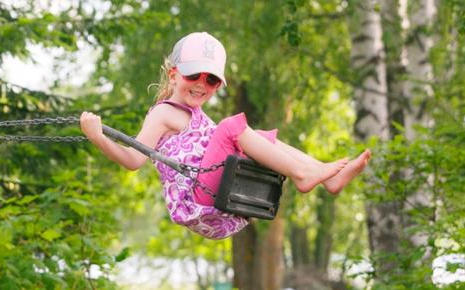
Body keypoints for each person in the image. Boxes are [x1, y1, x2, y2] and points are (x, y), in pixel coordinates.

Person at [79, 32, 371, 240]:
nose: (201, 85)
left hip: (220, 199)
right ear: (173, 75)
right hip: (198, 201)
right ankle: (304, 174)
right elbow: (133, 159)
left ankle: (325, 176)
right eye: (193, 75)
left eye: (212, 79)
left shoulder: (200, 117)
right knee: (232, 127)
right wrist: (98, 137)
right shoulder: (163, 113)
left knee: (257, 135)